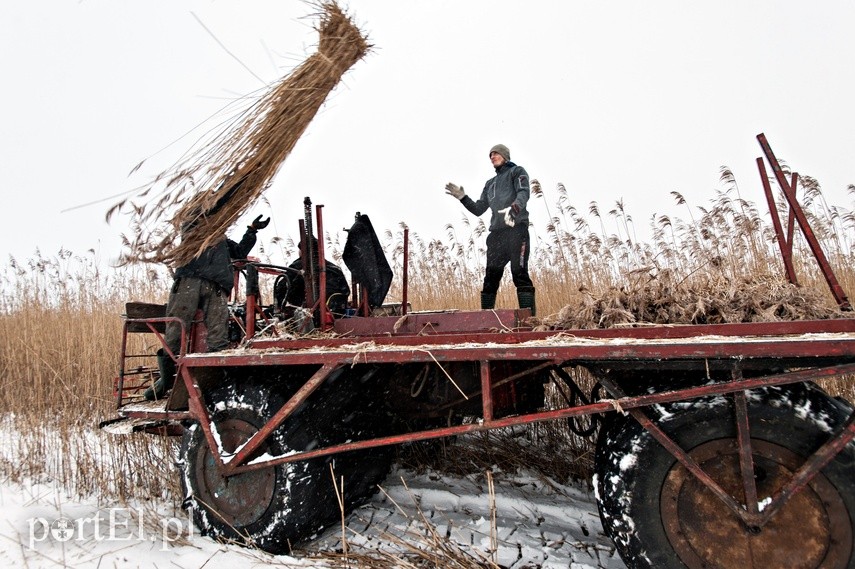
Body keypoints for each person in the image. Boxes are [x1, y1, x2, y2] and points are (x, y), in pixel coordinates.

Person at [145, 214, 270, 400]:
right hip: (190, 280)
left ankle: (214, 385)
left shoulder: (221, 239)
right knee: (176, 331)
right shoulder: (193, 227)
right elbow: (197, 218)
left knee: (218, 337)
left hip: (217, 285)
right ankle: (165, 382)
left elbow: (240, 251)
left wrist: (251, 230)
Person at [445, 143, 536, 315]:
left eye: (496, 154)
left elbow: (524, 192)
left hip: (517, 230)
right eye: (490, 155)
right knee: (491, 278)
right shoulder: (490, 183)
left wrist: (514, 208)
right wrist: (463, 198)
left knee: (519, 273)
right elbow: (479, 209)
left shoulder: (517, 172)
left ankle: (529, 320)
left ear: (505, 156)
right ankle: (486, 320)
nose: (492, 157)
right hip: (497, 235)